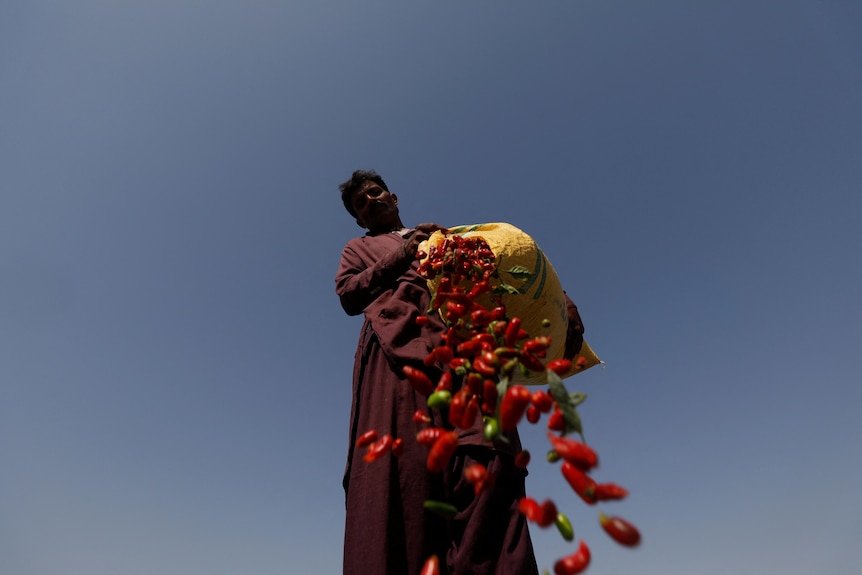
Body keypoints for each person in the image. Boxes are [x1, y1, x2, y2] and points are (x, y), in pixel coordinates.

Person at [334, 170, 584, 575]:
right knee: (403, 476)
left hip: (468, 356)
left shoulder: (446, 238)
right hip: (400, 358)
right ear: (360, 221)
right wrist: (403, 254)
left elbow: (502, 267)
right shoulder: (359, 249)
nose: (371, 202)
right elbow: (348, 294)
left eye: (375, 193)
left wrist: (562, 306)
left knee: (491, 467)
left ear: (394, 197)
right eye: (361, 204)